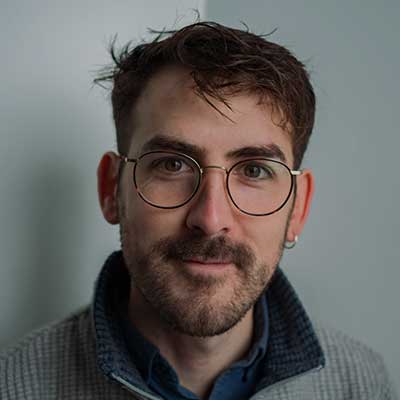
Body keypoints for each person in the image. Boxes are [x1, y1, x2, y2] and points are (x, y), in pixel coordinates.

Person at [0, 21, 397, 400]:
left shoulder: (362, 383)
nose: (210, 219)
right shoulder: (12, 387)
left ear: (298, 207)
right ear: (111, 189)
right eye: (172, 164)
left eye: (254, 170)